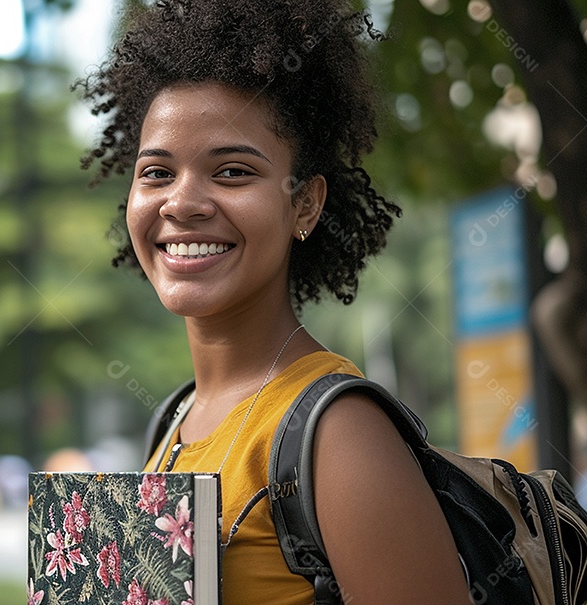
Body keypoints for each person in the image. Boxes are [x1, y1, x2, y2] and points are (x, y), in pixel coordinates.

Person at [75, 1, 468, 603]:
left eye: (232, 172)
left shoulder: (338, 433)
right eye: (156, 172)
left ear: (305, 205)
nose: (182, 203)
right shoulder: (176, 420)